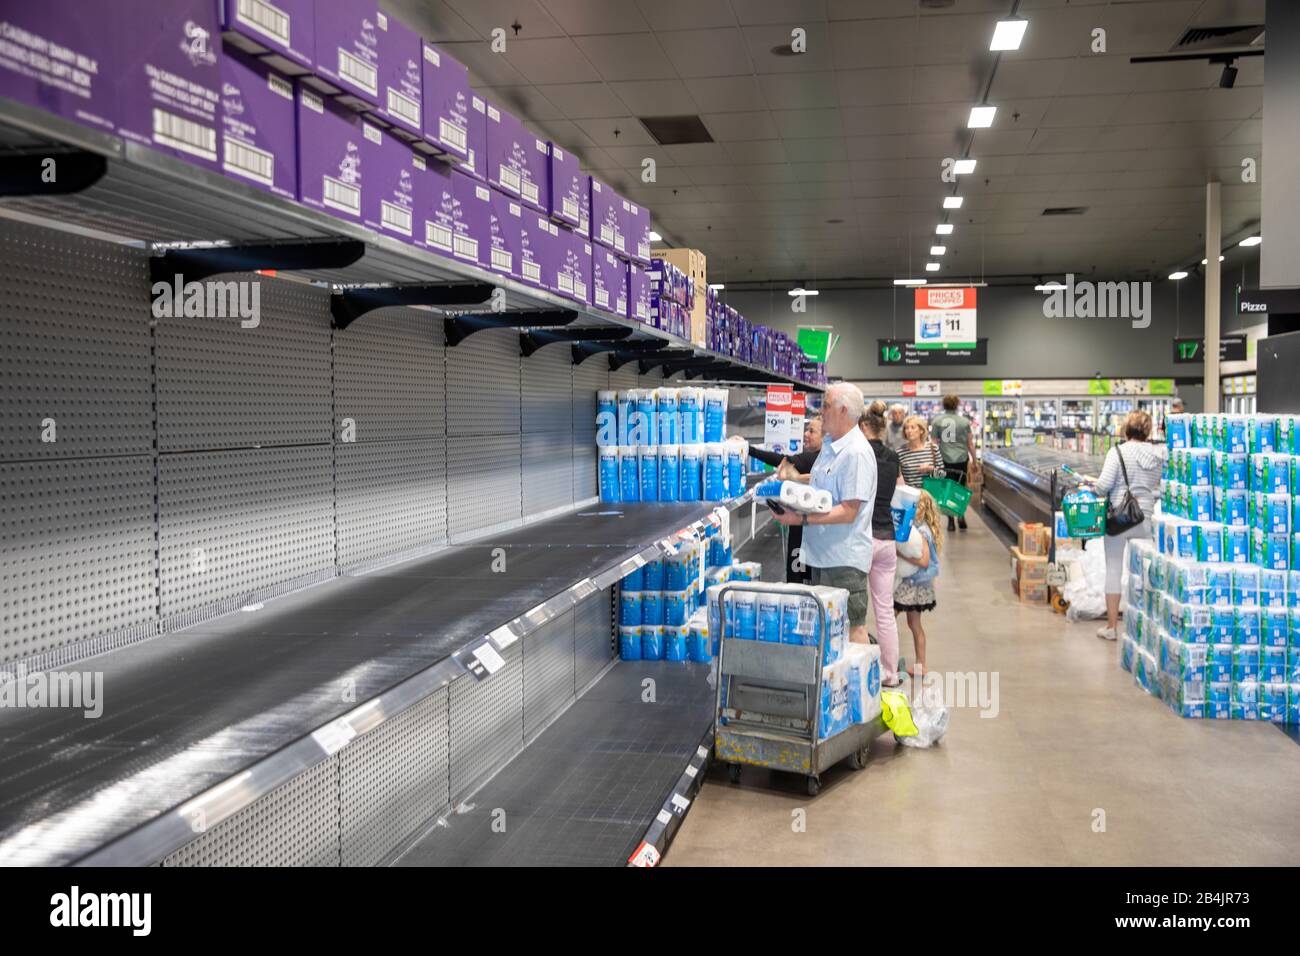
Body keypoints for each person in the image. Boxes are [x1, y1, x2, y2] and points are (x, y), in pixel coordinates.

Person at [771, 382, 877, 646]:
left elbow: (849, 511)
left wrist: (800, 519)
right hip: (822, 555)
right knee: (831, 630)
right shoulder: (832, 446)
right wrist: (794, 480)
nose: (821, 411)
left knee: (853, 630)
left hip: (844, 561)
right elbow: (822, 481)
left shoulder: (856, 453)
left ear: (843, 411)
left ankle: (859, 685)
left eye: (826, 406)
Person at [1091, 410, 1165, 641]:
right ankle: (1143, 629)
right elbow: (1157, 486)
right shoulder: (1157, 455)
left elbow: (1103, 485)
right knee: (1143, 573)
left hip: (1120, 520)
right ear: (1147, 431)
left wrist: (1094, 488)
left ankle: (1112, 628)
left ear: (1126, 429)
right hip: (1145, 519)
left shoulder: (1118, 452)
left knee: (1114, 568)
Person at [743, 416, 823, 583]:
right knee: (809, 579)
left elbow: (781, 460)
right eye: (806, 429)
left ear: (824, 436)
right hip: (815, 532)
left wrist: (748, 449)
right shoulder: (824, 459)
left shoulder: (811, 459)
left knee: (797, 578)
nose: (806, 434)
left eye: (812, 431)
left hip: (802, 531)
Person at [860, 400, 904, 685]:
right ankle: (889, 673)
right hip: (887, 539)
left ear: (864, 427)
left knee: (854, 613)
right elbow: (901, 492)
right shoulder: (892, 457)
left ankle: (859, 673)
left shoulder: (860, 455)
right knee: (885, 611)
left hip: (861, 538)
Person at [895, 490, 944, 676]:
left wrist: (900, 553)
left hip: (914, 585)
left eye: (916, 506)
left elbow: (923, 561)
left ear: (924, 509)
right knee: (914, 625)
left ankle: (889, 659)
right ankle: (920, 665)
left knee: (889, 617)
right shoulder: (920, 528)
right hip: (919, 584)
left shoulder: (922, 532)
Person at [930, 394, 977, 533]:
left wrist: (933, 461)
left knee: (947, 489)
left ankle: (950, 521)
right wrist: (974, 461)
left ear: (944, 405)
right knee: (960, 488)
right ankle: (961, 515)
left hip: (944, 460)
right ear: (957, 405)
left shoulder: (937, 421)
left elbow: (933, 444)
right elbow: (970, 444)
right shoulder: (964, 422)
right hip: (961, 459)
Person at [897, 415, 944, 489]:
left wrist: (930, 469)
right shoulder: (900, 452)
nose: (909, 431)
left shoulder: (933, 448)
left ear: (921, 430)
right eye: (906, 428)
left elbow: (942, 475)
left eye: (913, 427)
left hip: (930, 495)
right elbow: (898, 477)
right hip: (910, 496)